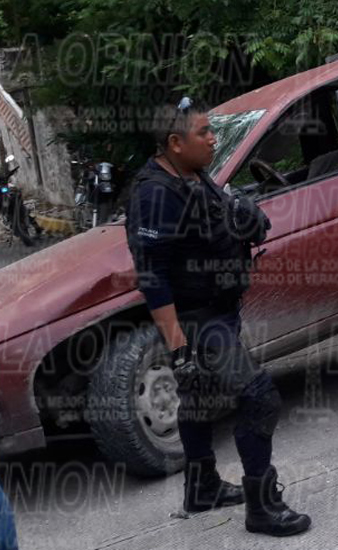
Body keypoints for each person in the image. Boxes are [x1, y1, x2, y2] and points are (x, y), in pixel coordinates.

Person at [126, 99, 310, 536]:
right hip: (197, 320)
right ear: (174, 142)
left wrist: (244, 220)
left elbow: (216, 223)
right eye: (204, 133)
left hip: (219, 309)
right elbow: (152, 279)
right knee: (259, 397)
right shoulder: (154, 194)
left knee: (200, 400)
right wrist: (179, 349)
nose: (213, 139)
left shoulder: (191, 173)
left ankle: (201, 485)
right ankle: (263, 506)